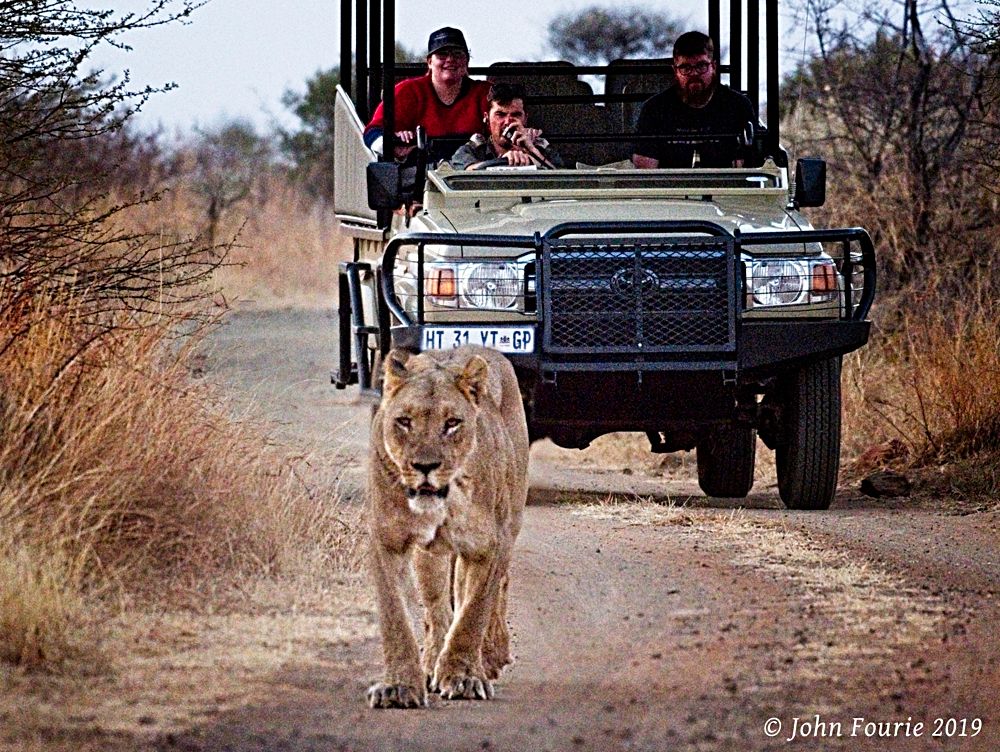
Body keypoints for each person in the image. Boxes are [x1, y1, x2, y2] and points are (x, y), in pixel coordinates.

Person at [364, 27, 491, 164]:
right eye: (442, 54)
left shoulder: (485, 93)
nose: (450, 59)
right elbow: (372, 132)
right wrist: (394, 146)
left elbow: (507, 127)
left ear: (467, 61)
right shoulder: (408, 92)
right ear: (430, 62)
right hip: (420, 174)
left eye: (457, 54)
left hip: (474, 175)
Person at [632, 31, 756, 169]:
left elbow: (746, 167)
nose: (694, 73)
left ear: (713, 67)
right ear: (675, 71)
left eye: (701, 66)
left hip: (725, 188)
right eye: (685, 67)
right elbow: (646, 172)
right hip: (669, 188)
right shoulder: (654, 109)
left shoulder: (737, 105)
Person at [449, 83, 564, 170]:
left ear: (525, 119)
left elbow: (564, 181)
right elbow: (463, 172)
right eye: (500, 114)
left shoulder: (541, 148)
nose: (508, 121)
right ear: (487, 118)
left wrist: (532, 152)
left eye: (516, 115)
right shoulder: (475, 149)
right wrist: (502, 162)